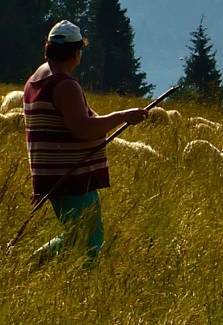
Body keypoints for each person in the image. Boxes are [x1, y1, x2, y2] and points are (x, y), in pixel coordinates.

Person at [25, 20, 149, 267]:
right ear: (75, 52)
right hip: (71, 175)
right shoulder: (64, 85)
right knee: (89, 239)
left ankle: (30, 267)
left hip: (51, 173)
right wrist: (122, 117)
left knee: (74, 235)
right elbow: (82, 129)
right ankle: (74, 283)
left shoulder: (36, 80)